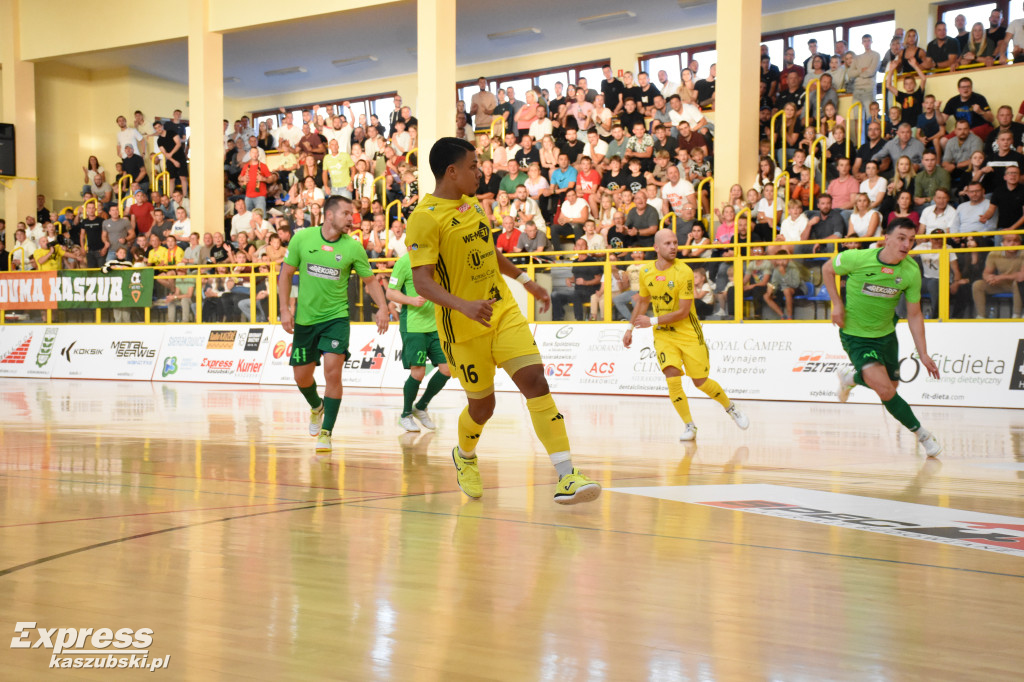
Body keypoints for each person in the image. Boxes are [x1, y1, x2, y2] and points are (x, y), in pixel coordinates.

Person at [406, 137, 600, 505]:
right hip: (463, 326)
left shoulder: (474, 207)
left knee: (535, 381)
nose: (480, 173)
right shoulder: (424, 218)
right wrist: (462, 305)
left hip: (502, 311)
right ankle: (464, 456)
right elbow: (422, 282)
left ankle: (567, 475)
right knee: (484, 407)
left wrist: (526, 282)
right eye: (473, 166)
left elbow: (489, 252)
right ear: (452, 171)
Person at [277, 195, 390, 453]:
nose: (352, 218)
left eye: (352, 214)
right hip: (305, 320)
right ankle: (317, 406)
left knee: (332, 371)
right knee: (301, 376)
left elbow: (371, 281)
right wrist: (285, 308)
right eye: (347, 213)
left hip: (336, 318)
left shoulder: (353, 247)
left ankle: (326, 433)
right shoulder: (302, 239)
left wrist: (383, 307)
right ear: (330, 215)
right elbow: (285, 274)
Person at [825, 218, 942, 457]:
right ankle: (923, 435)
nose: (906, 244)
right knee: (887, 392)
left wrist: (923, 353)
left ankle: (851, 377)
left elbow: (915, 313)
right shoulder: (857, 258)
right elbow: (827, 269)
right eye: (901, 238)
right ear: (886, 238)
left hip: (887, 335)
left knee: (892, 386)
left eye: (911, 240)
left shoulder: (910, 270)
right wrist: (836, 303)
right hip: (856, 337)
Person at [622, 228, 749, 442]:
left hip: (688, 332)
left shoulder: (684, 272)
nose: (673, 247)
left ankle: (731, 407)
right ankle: (689, 426)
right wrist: (629, 328)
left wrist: (651, 321)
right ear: (656, 247)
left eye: (675, 242)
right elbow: (643, 301)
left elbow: (682, 311)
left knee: (700, 381)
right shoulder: (645, 272)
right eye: (668, 243)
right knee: (671, 375)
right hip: (663, 334)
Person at [387, 252, 452, 432]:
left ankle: (421, 406)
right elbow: (390, 292)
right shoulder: (403, 262)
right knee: (418, 373)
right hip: (413, 326)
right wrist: (410, 300)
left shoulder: (437, 260)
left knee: (448, 368)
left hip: (436, 326)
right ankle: (406, 414)